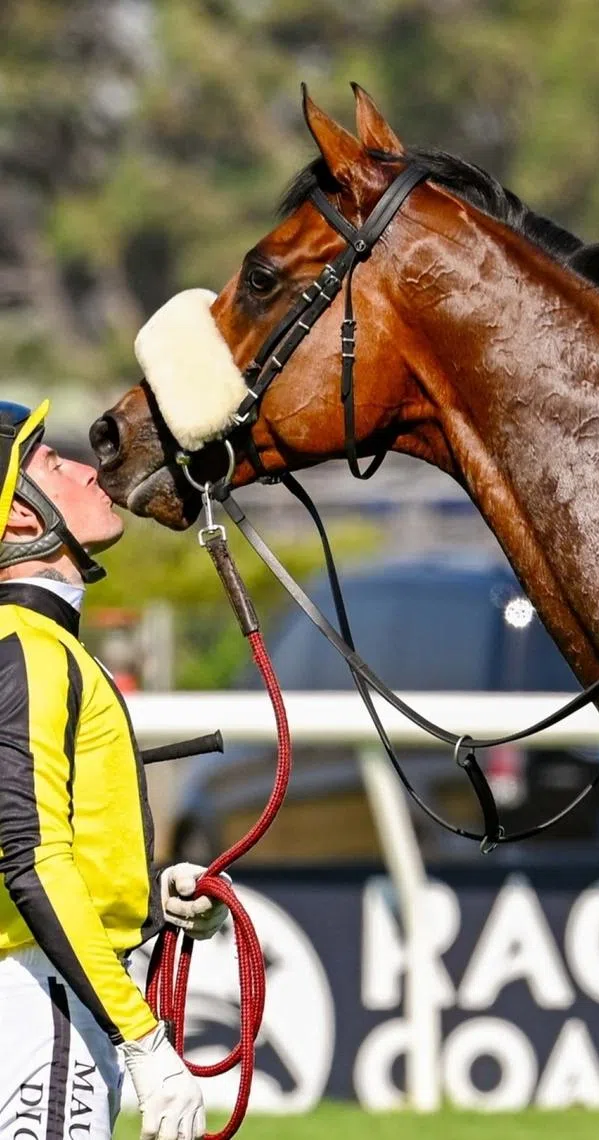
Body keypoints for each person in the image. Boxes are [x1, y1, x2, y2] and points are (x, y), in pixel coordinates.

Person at [0, 400, 227, 1140]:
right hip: (48, 1005)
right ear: (20, 521)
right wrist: (144, 1040)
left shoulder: (32, 643)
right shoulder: (28, 648)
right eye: (51, 463)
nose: (83, 467)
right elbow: (29, 857)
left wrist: (142, 892)